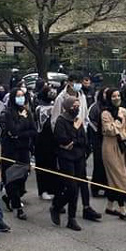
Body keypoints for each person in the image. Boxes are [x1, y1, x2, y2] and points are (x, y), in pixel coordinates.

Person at [50, 96, 90, 231]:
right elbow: (63, 139)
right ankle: (57, 206)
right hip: (66, 158)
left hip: (79, 157)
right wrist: (74, 133)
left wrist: (74, 141)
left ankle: (71, 218)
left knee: (77, 187)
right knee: (71, 187)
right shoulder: (61, 121)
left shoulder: (78, 120)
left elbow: (83, 140)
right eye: (74, 106)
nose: (76, 108)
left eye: (78, 106)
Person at [0, 87, 38, 221]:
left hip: (24, 149)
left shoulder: (27, 111)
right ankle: (18, 208)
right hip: (11, 151)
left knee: (23, 176)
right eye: (18, 95)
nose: (21, 98)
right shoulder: (7, 113)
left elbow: (33, 131)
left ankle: (9, 196)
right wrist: (21, 120)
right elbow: (13, 131)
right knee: (13, 178)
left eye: (22, 95)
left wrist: (20, 134)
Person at [101, 88, 126, 219]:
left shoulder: (124, 111)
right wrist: (118, 123)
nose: (117, 98)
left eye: (118, 96)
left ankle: (110, 206)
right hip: (109, 147)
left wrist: (121, 133)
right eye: (113, 96)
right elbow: (109, 130)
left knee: (120, 175)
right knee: (118, 176)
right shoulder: (105, 113)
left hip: (122, 146)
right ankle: (122, 208)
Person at [34, 86, 61, 202]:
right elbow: (40, 124)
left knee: (53, 165)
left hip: (54, 140)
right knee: (42, 166)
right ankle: (43, 190)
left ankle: (52, 189)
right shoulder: (39, 108)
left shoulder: (55, 106)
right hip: (42, 141)